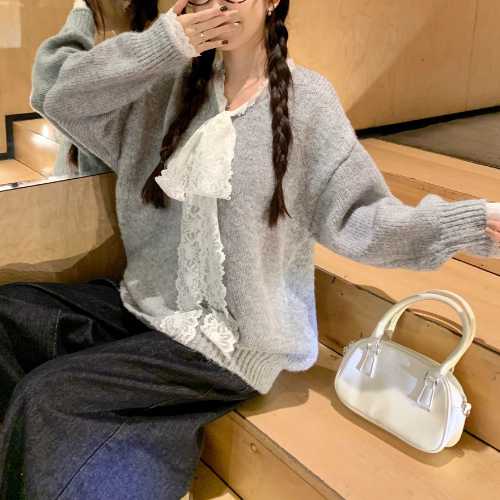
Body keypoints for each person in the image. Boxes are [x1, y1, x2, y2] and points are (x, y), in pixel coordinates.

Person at [1, 0, 500, 498]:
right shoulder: (167, 85)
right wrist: (161, 43)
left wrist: (471, 223)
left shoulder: (308, 103)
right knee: (9, 313)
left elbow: (362, 220)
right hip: (148, 306)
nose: (219, 5)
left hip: (228, 344)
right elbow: (57, 96)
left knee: (48, 395)